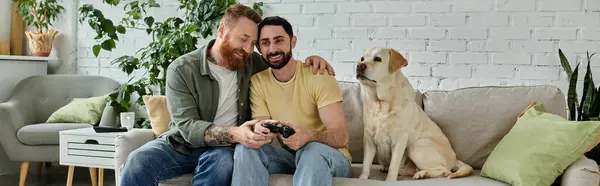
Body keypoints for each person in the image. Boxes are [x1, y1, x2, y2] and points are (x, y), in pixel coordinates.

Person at [119, 4, 336, 186]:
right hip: (181, 145)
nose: (249, 49)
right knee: (137, 161)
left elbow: (281, 61)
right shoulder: (182, 69)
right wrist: (236, 134)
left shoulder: (252, 63)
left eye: (253, 43)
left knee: (221, 165)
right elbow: (187, 127)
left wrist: (313, 61)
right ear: (222, 30)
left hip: (223, 150)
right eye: (243, 39)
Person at [231, 16, 352, 186]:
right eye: (265, 43)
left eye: (279, 40)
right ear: (259, 48)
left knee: (311, 150)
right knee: (246, 148)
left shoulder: (318, 75)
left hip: (329, 156)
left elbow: (341, 137)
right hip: (287, 157)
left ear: (293, 42)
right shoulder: (258, 82)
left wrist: (308, 136)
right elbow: (264, 131)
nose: (272, 49)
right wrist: (261, 130)